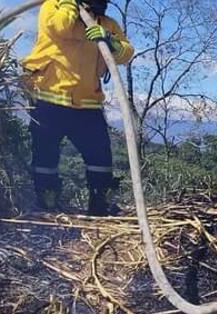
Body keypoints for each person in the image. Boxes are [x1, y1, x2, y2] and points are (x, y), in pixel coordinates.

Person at [22, 0, 134, 215]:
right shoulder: (53, 6)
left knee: (100, 157)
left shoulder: (106, 24)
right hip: (49, 99)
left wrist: (109, 39)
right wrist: (69, 3)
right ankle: (47, 203)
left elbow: (126, 53)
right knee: (45, 156)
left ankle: (99, 205)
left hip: (87, 104)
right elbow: (61, 27)